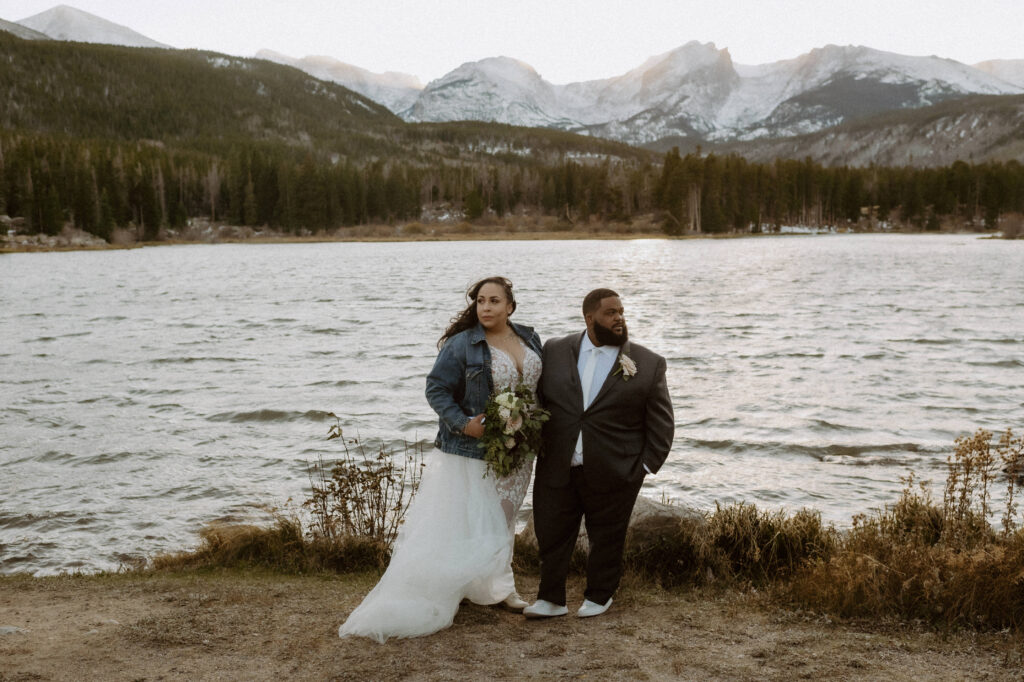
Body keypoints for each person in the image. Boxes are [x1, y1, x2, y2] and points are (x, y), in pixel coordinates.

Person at [339, 276, 543, 642]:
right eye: (480, 300)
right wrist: (464, 425)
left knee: (506, 514)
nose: (486, 307)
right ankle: (494, 587)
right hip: (475, 447)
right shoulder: (463, 344)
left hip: (520, 446)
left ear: (510, 306)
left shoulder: (529, 337)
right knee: (479, 516)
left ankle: (490, 585)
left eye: (494, 301)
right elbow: (436, 388)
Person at [524, 288, 674, 619]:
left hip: (615, 468)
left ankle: (600, 594)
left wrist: (644, 467)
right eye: (610, 312)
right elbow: (539, 399)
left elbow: (662, 424)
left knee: (607, 535)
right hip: (558, 462)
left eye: (621, 311)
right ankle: (551, 599)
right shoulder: (555, 349)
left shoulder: (648, 363)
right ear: (589, 318)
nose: (619, 317)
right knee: (551, 530)